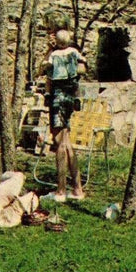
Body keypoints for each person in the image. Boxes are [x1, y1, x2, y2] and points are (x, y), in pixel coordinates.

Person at [44, 29, 87, 202]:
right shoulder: (74, 53)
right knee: (67, 143)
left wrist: (49, 50)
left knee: (59, 143)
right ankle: (77, 189)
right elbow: (82, 68)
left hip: (58, 97)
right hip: (70, 96)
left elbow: (43, 68)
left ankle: (61, 191)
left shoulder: (55, 55)